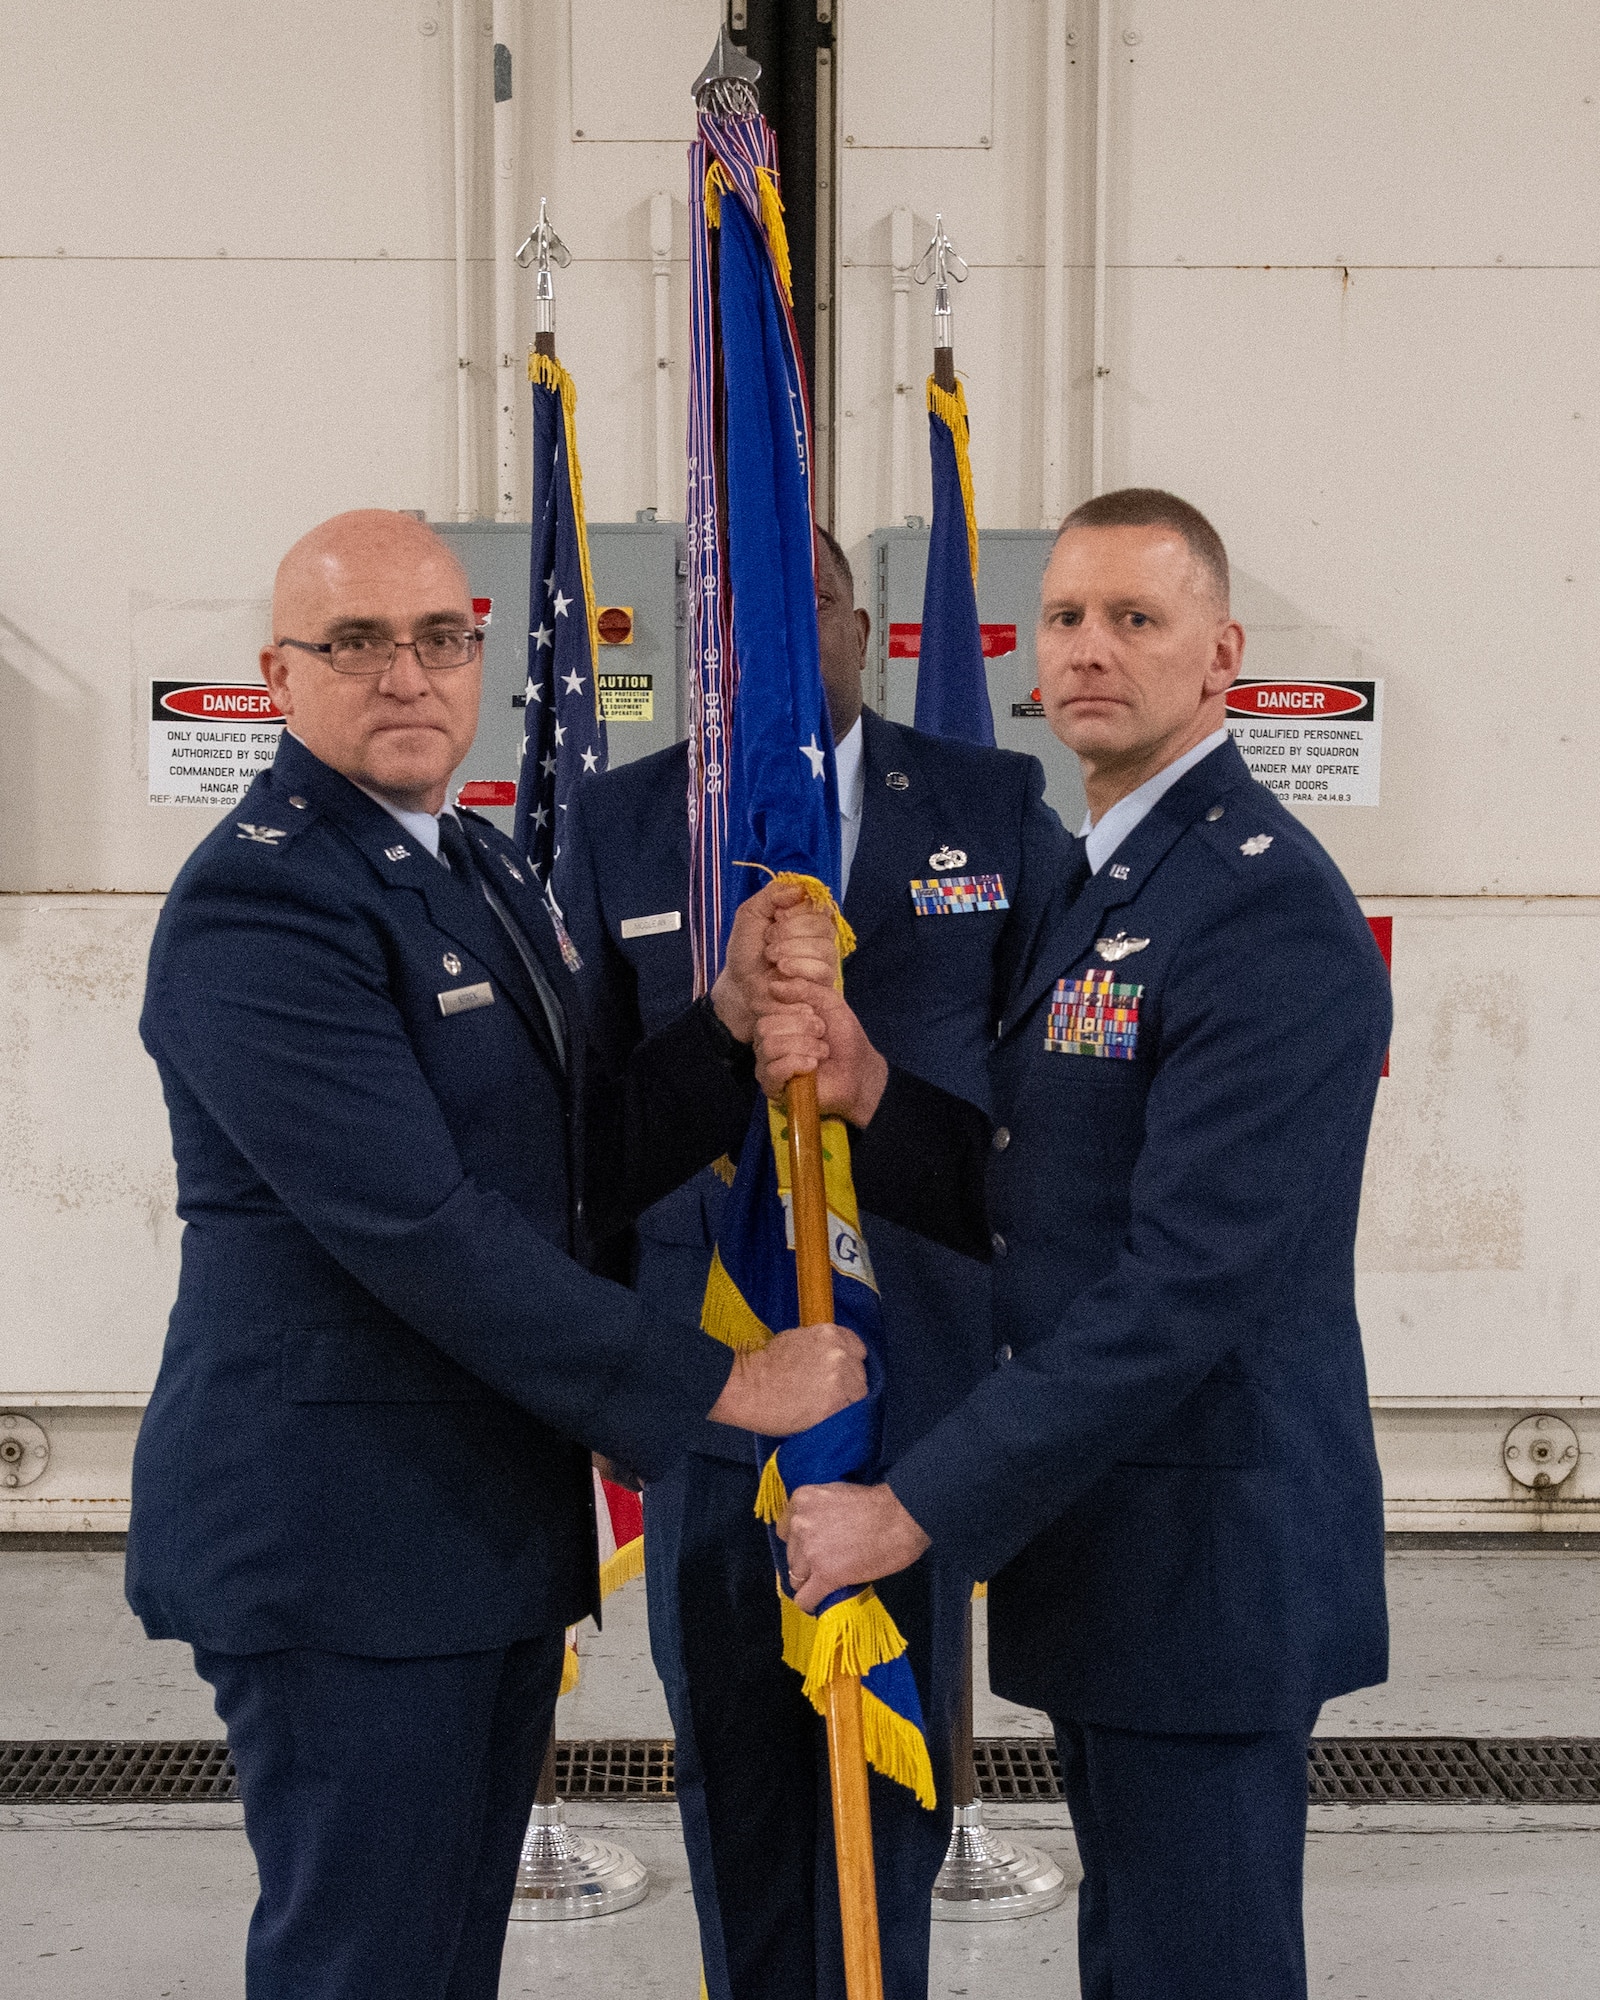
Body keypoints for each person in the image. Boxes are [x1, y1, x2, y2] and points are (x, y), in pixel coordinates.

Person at [127, 509, 866, 2000]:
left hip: (475, 1536)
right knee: (367, 1964)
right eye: (356, 643)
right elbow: (425, 1231)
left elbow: (568, 1161)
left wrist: (724, 1028)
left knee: (443, 1961)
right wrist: (723, 1385)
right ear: (280, 675)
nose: (406, 674)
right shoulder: (262, 902)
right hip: (345, 1549)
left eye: (439, 639)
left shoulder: (471, 862)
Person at [760, 490, 1392, 2000]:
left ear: (1220, 655)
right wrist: (876, 1093)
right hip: (1120, 1543)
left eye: (1136, 618)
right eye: (1064, 618)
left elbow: (1181, 1286)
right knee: (1146, 1958)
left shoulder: (1260, 907)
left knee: (1194, 1964)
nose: (1090, 649)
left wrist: (912, 1509)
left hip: (1209, 1557)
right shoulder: (1112, 877)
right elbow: (1040, 1186)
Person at [554, 522, 1072, 2000]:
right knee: (734, 1779)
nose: (770, 644)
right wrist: (607, 1374)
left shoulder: (987, 801)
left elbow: (1045, 1112)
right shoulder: (622, 821)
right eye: (729, 619)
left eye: (809, 606)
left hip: (919, 1375)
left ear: (861, 627)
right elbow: (592, 1134)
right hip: (709, 1381)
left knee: (894, 1780)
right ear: (694, 646)